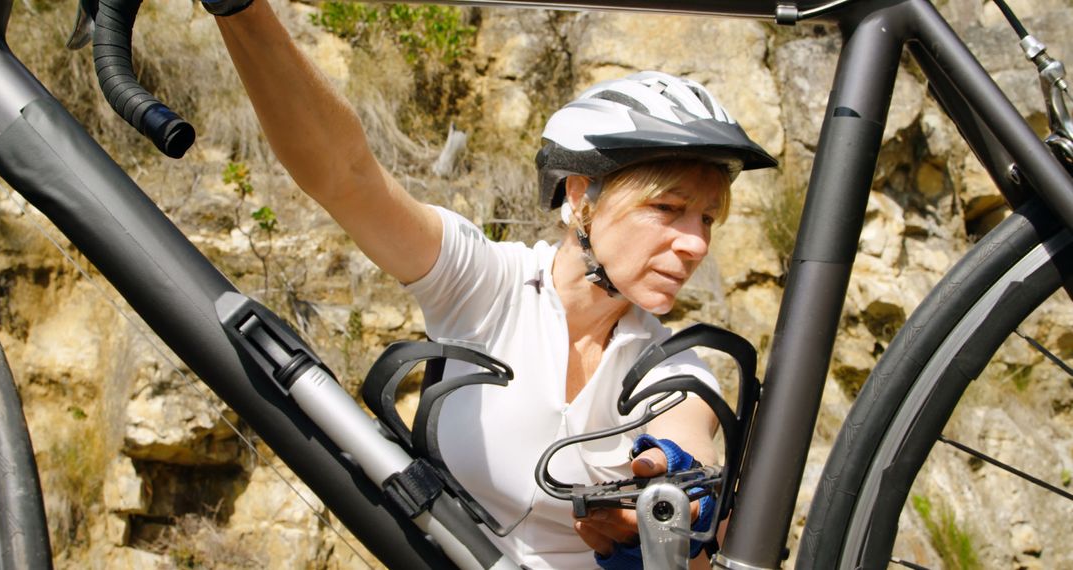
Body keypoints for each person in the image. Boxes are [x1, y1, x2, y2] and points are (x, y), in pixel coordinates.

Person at [203, 0, 776, 567]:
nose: (696, 243)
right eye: (669, 208)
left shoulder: (674, 368)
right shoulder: (486, 283)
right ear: (581, 197)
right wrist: (243, 12)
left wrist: (678, 498)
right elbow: (347, 177)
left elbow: (690, 457)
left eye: (706, 218)